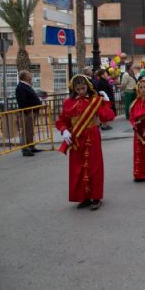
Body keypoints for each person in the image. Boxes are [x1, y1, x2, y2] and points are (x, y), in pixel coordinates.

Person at [55, 75, 115, 210]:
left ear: (88, 87)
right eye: (78, 89)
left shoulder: (94, 101)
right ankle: (84, 196)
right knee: (78, 168)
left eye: (83, 88)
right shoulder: (68, 103)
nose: (81, 91)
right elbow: (60, 121)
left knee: (94, 167)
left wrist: (106, 102)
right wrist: (64, 130)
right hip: (76, 138)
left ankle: (95, 197)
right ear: (73, 89)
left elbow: (108, 116)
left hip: (91, 136)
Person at [15, 70, 43, 157]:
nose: (30, 75)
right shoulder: (20, 87)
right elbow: (22, 101)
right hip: (27, 113)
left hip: (32, 111)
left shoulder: (27, 86)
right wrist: (28, 112)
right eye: (28, 74)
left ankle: (31, 146)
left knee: (30, 130)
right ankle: (25, 148)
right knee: (25, 131)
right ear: (24, 77)